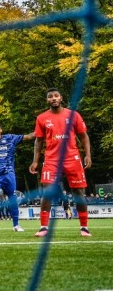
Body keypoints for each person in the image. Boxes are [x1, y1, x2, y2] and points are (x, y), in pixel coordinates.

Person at [28, 88, 92, 238]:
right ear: (47, 100)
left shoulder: (73, 115)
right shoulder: (42, 118)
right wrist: (35, 161)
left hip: (72, 158)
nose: (53, 98)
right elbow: (38, 141)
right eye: (50, 97)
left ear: (61, 98)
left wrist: (87, 155)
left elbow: (83, 136)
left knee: (79, 193)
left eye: (56, 96)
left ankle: (84, 227)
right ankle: (43, 227)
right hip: (51, 159)